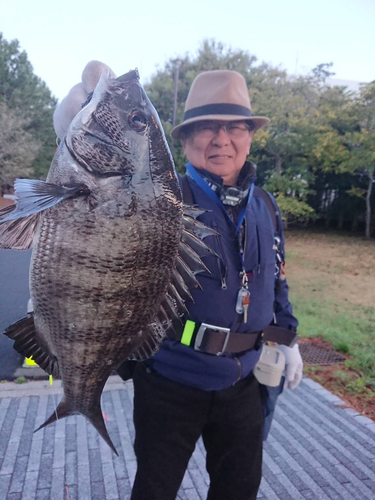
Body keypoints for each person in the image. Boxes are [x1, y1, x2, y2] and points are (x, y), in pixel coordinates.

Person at [54, 62, 303, 500]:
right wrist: (85, 103)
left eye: (235, 128)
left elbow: (275, 279)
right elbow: (99, 170)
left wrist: (289, 338)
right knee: (155, 489)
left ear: (249, 136)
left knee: (240, 489)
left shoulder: (265, 204)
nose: (222, 140)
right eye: (207, 128)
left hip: (244, 383)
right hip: (170, 380)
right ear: (185, 139)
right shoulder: (162, 197)